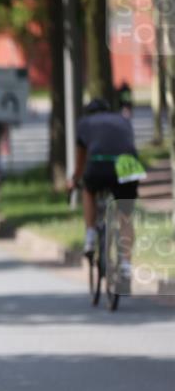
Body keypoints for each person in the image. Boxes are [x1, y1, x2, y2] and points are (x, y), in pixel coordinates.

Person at [68, 98, 144, 289]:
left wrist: (75, 179)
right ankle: (126, 265)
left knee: (88, 189)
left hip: (99, 164)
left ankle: (91, 236)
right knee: (125, 215)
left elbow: (81, 160)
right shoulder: (123, 120)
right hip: (127, 165)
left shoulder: (85, 123)